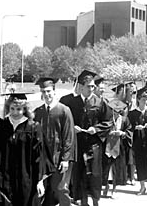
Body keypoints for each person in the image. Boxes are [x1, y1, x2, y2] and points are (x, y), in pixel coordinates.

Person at [0, 93, 55, 206]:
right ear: (8, 108)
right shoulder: (1, 125)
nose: (15, 112)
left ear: (25, 109)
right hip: (6, 178)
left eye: (19, 109)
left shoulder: (33, 127)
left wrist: (40, 181)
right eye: (12, 108)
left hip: (28, 179)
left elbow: (40, 156)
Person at [62, 70, 112, 206]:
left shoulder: (101, 102)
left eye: (93, 86)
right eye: (88, 86)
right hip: (78, 145)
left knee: (94, 175)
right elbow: (65, 121)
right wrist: (73, 127)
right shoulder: (72, 103)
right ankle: (83, 202)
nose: (91, 89)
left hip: (94, 145)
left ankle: (95, 201)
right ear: (81, 87)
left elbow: (108, 122)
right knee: (80, 174)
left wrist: (95, 129)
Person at [34, 78, 76, 206]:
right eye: (43, 91)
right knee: (45, 193)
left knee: (61, 190)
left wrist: (65, 159)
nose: (46, 94)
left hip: (59, 157)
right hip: (44, 158)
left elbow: (69, 136)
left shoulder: (64, 110)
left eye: (48, 91)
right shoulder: (38, 112)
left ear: (54, 91)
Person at [102, 99, 132, 198]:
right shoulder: (107, 119)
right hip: (107, 146)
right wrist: (107, 133)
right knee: (105, 168)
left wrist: (122, 133)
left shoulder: (124, 119)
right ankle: (106, 186)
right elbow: (101, 130)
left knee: (117, 168)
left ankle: (114, 189)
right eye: (114, 110)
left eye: (118, 110)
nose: (116, 112)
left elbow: (129, 131)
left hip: (119, 147)